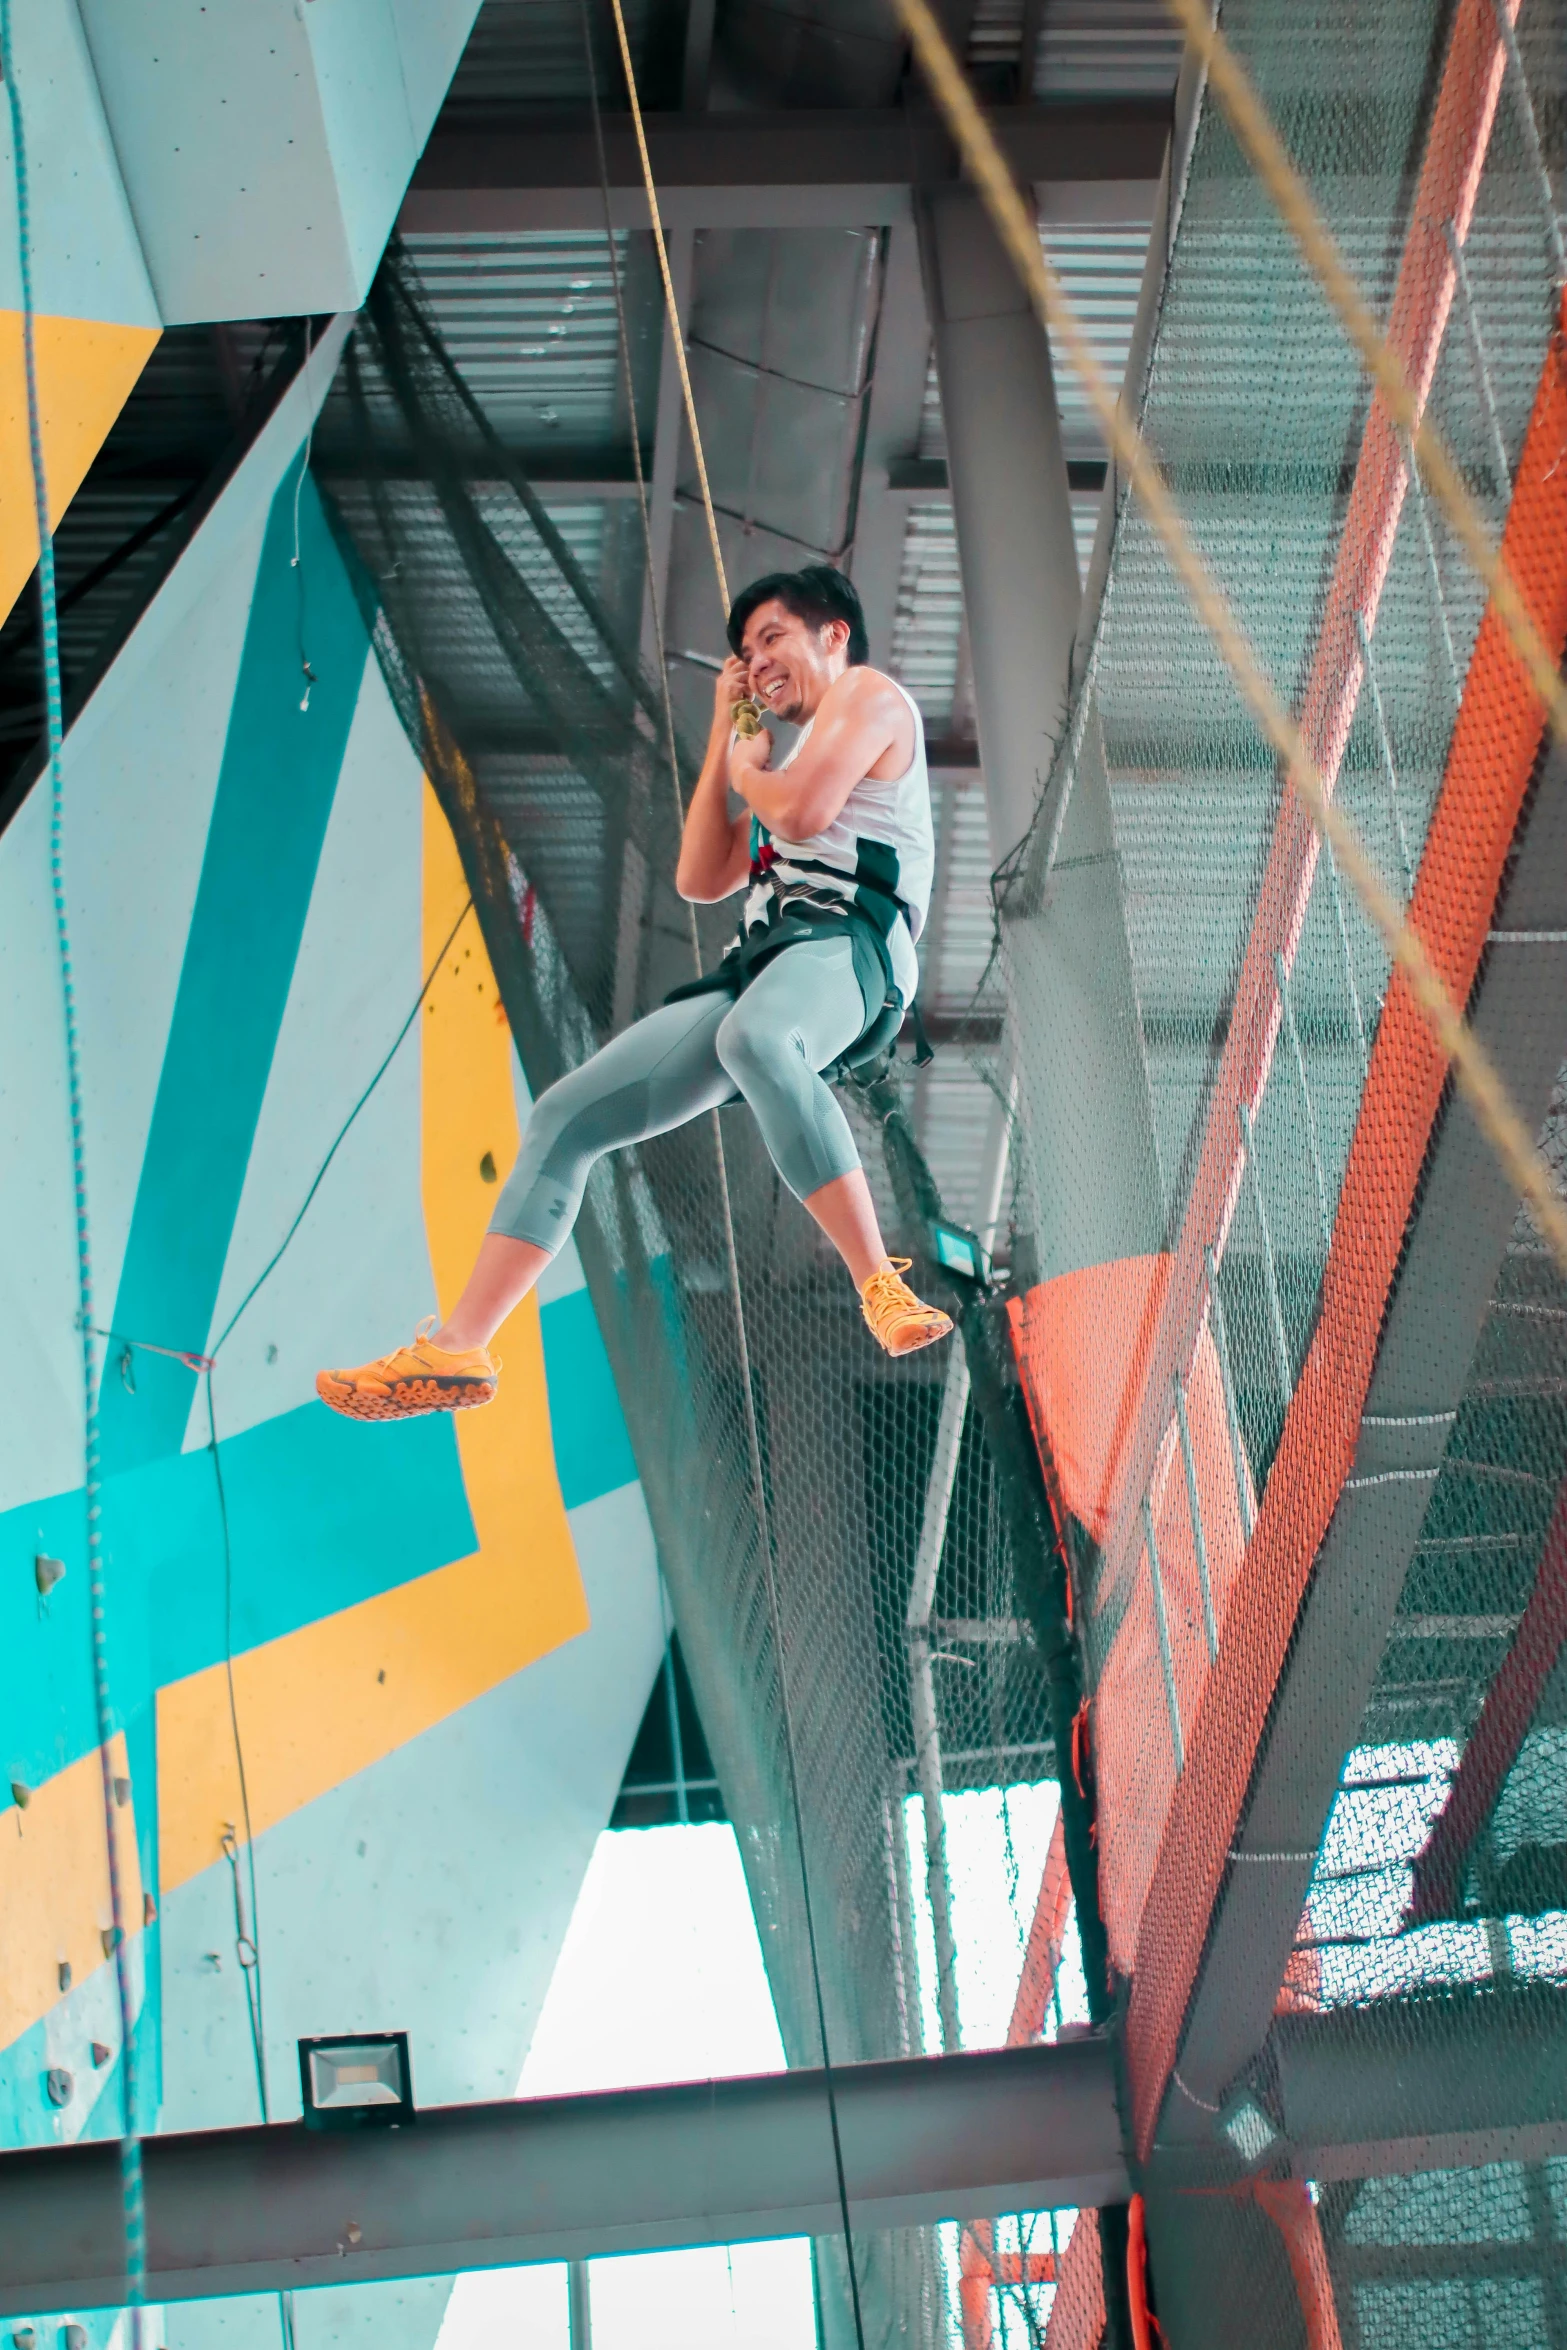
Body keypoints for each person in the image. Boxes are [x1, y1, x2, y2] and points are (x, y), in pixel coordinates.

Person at [317, 563, 953, 1423]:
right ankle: (459, 1350)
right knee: (565, 1117)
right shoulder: (776, 754)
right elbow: (700, 876)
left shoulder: (868, 697)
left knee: (755, 1043)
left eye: (771, 638)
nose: (757, 660)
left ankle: (880, 1284)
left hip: (851, 946)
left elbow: (801, 819)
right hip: (768, 962)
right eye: (743, 653)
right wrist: (730, 742)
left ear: (831, 634)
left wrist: (749, 764)